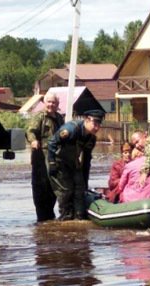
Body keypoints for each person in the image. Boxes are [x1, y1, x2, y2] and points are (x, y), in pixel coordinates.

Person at [47, 109, 104, 221]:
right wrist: (52, 163)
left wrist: (85, 179)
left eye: (99, 124)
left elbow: (87, 160)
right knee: (66, 190)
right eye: (95, 124)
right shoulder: (71, 129)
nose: (97, 128)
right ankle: (66, 217)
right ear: (87, 120)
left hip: (73, 163)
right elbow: (52, 143)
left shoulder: (91, 138)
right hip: (59, 163)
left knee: (80, 189)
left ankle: (79, 217)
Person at [25, 92, 65, 221]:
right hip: (41, 158)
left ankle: (51, 215)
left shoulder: (59, 118)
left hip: (56, 158)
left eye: (54, 102)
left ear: (57, 104)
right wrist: (33, 141)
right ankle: (42, 218)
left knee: (54, 186)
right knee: (40, 186)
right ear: (44, 103)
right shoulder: (39, 117)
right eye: (49, 102)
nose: (51, 105)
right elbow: (30, 131)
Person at [117, 131, 150, 203]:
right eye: (135, 144)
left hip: (136, 201)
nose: (137, 146)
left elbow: (120, 187)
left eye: (137, 142)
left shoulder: (129, 166)